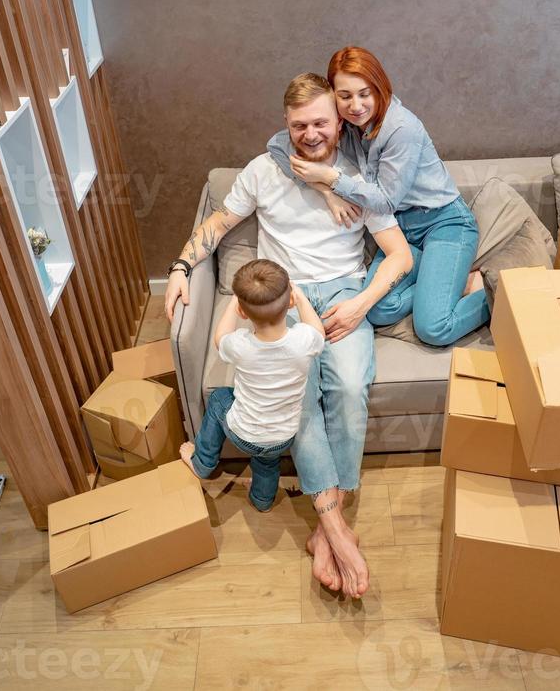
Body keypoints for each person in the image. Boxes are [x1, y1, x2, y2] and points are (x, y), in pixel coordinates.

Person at [165, 73, 413, 599]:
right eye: (300, 124)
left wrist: (360, 303)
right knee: (296, 401)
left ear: (338, 119)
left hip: (345, 294)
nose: (311, 133)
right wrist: (182, 266)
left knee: (347, 389)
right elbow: (216, 224)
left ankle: (328, 529)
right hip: (286, 301)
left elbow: (400, 255)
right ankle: (338, 532)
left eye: (321, 122)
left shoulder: (355, 175)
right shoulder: (263, 171)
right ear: (285, 122)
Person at [268, 47, 490, 346]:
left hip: (443, 225)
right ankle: (446, 282)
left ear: (380, 87)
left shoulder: (402, 128)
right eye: (344, 96)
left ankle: (496, 293)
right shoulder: (347, 127)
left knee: (434, 327)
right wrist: (327, 193)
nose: (356, 105)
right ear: (333, 96)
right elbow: (278, 144)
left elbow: (385, 201)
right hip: (402, 235)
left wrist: (332, 178)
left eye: (364, 93)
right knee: (381, 309)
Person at [180, 259, 325, 513]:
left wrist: (235, 304)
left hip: (242, 433)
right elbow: (318, 331)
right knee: (267, 463)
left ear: (243, 313)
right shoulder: (304, 341)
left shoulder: (241, 345)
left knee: (218, 400)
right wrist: (301, 299)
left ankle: (202, 463)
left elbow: (219, 337)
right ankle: (261, 501)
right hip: (282, 438)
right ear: (289, 301)